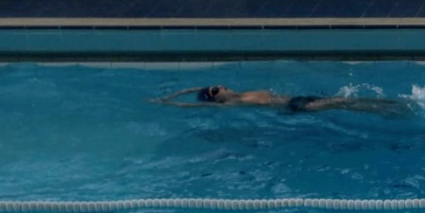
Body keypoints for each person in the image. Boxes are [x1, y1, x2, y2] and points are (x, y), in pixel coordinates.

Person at [154, 86, 410, 116]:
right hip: (294, 107)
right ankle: (384, 111)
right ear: (216, 100)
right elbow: (193, 104)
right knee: (340, 103)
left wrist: (183, 91)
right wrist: (170, 101)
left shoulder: (242, 93)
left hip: (298, 98)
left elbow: (196, 90)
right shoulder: (232, 103)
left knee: (344, 99)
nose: (220, 86)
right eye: (215, 90)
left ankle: (388, 103)